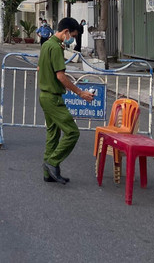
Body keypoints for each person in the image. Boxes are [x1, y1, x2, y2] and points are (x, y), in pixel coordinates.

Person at [38, 17, 95, 185]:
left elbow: (40, 68)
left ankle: (48, 173)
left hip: (45, 95)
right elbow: (61, 76)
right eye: (73, 35)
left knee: (53, 134)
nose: (72, 40)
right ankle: (52, 162)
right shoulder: (55, 47)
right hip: (53, 98)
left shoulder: (47, 44)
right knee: (72, 132)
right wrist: (80, 93)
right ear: (66, 32)